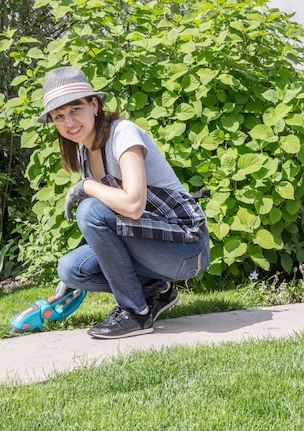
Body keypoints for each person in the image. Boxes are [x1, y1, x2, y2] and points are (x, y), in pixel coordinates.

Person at [39, 66, 210, 339]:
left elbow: (133, 205)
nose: (69, 122)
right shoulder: (84, 153)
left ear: (94, 104)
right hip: (151, 244)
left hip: (187, 249)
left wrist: (86, 186)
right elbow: (109, 225)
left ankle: (135, 313)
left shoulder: (123, 134)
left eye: (75, 110)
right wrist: (69, 281)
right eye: (59, 116)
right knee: (71, 269)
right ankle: (156, 291)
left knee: (90, 207)